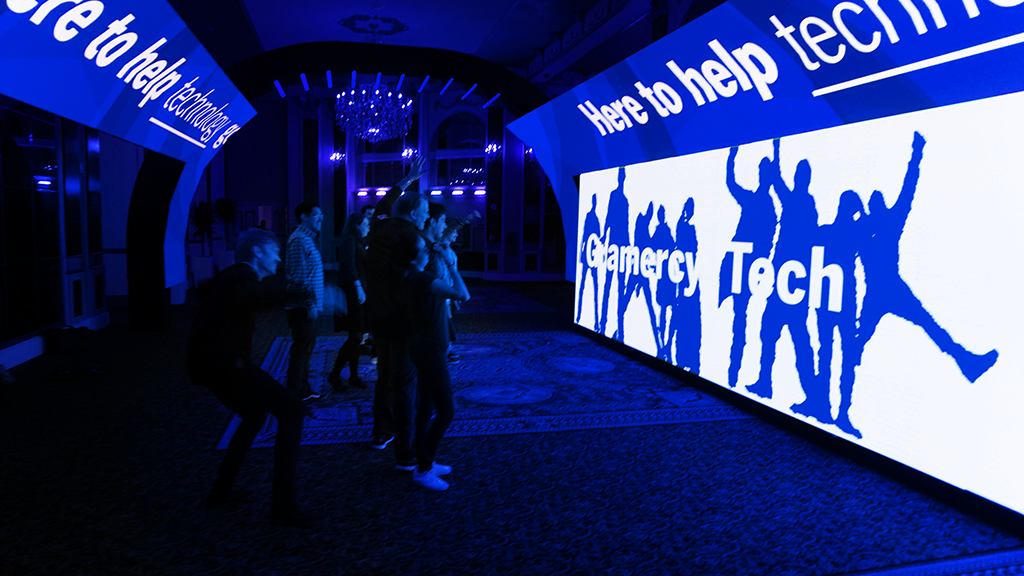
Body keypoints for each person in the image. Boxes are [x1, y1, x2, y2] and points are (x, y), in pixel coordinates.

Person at [187, 228, 323, 529]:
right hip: (223, 363)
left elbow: (228, 296)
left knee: (254, 416)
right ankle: (284, 506)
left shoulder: (232, 276)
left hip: (209, 364)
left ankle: (221, 491)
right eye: (275, 252)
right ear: (257, 252)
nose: (278, 259)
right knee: (293, 410)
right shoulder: (242, 275)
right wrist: (300, 291)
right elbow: (252, 296)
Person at [389, 231, 470, 491]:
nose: (428, 251)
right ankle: (424, 469)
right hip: (429, 350)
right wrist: (451, 263)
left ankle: (424, 460)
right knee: (447, 410)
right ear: (413, 258)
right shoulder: (422, 278)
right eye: (423, 249)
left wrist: (441, 255)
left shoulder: (411, 276)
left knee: (425, 407)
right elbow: (462, 294)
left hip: (424, 347)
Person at [364, 158, 427, 458]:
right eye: (425, 213)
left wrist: (407, 179)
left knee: (385, 376)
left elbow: (384, 203)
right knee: (404, 383)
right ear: (414, 214)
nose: (427, 217)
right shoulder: (414, 240)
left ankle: (381, 432)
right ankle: (406, 447)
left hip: (378, 317)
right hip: (403, 320)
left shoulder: (379, 225)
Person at [285, 202, 325, 402]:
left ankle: (303, 389)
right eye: (316, 214)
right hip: (301, 307)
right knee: (301, 351)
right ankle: (295, 393)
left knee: (305, 349)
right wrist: (310, 305)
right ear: (303, 217)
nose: (321, 218)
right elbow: (299, 280)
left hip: (307, 306)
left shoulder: (306, 240)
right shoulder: (299, 240)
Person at [328, 213, 371, 391]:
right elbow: (348, 263)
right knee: (356, 336)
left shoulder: (359, 241)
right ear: (357, 225)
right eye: (366, 224)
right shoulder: (349, 240)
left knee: (356, 336)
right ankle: (335, 374)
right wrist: (358, 285)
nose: (368, 227)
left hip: (358, 292)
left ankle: (353, 376)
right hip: (352, 292)